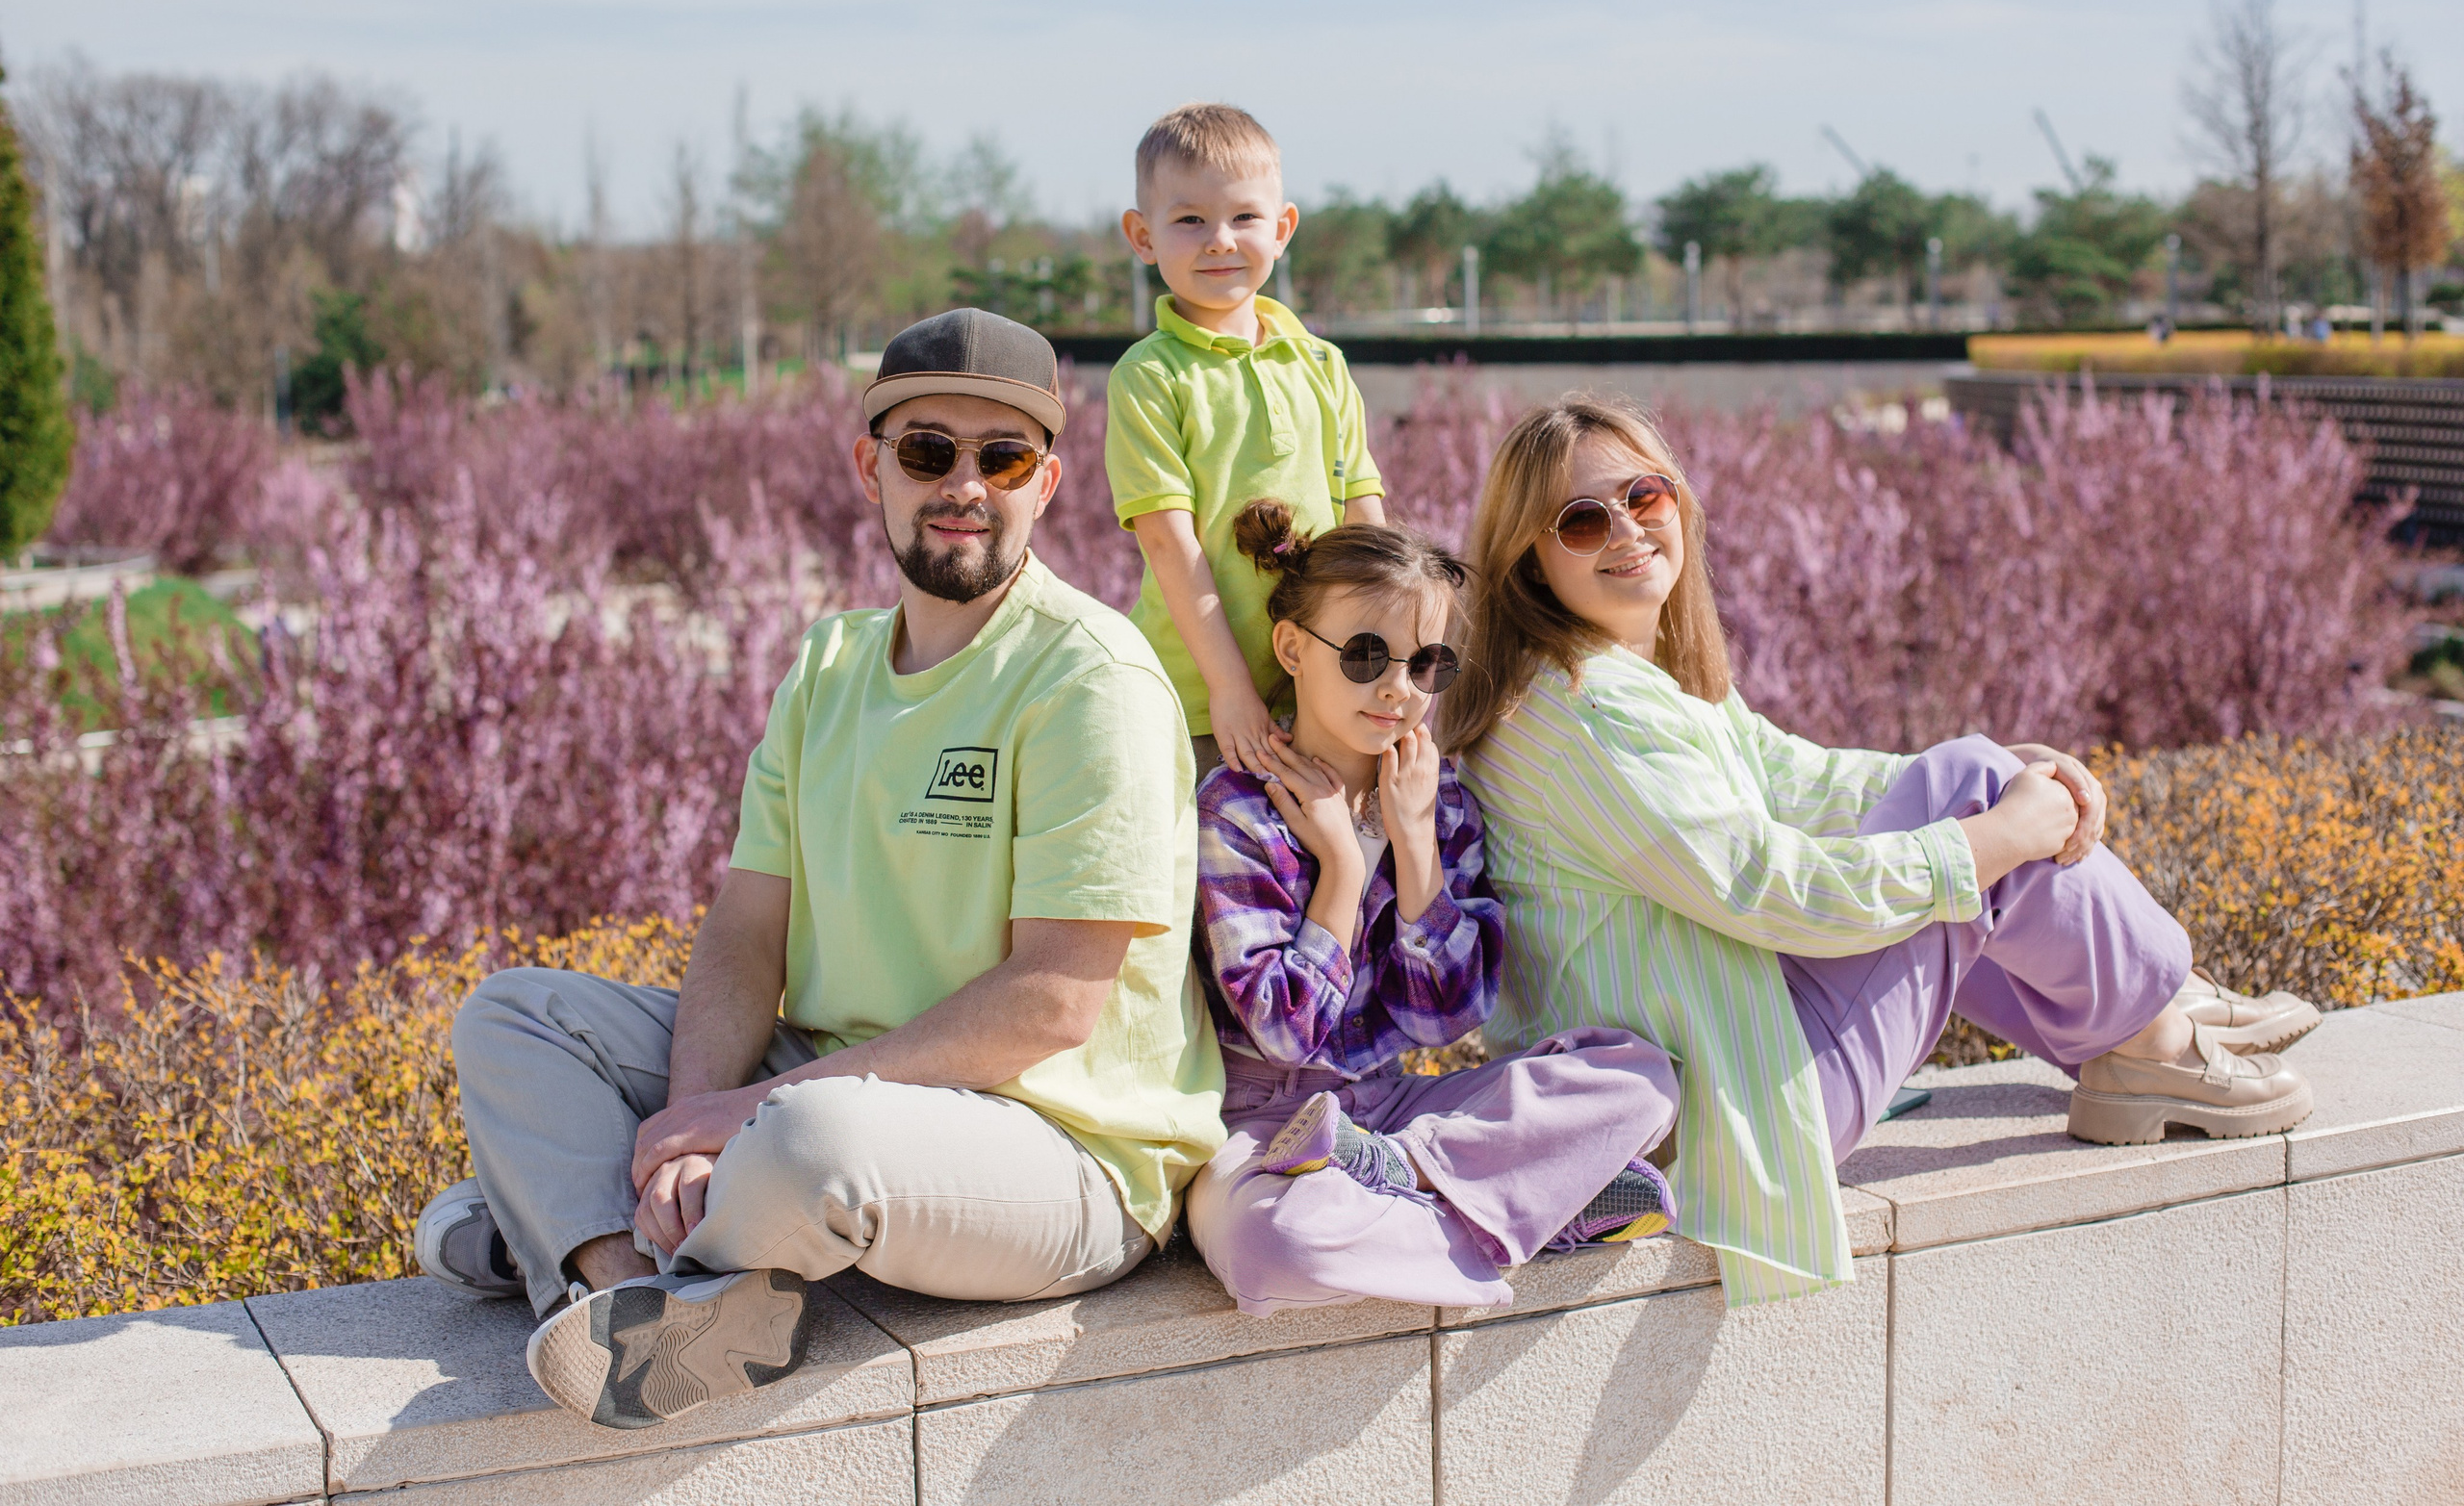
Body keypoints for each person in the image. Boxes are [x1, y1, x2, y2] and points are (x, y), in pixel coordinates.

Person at [416, 309, 1225, 1427]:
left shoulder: (1089, 677)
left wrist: (748, 1112)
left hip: (1066, 1147)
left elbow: (1054, 999)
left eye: (1002, 457)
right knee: (515, 1014)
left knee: (811, 1141)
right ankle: (626, 1285)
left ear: (1047, 481)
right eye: (927, 450)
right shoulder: (830, 664)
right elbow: (746, 930)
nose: (964, 483)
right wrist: (697, 1112)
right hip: (847, 1077)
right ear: (870, 466)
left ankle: (553, 1227)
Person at [1443, 395, 2318, 1307]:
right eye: (1583, 520)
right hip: (1734, 1109)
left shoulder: (1620, 677)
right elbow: (1768, 889)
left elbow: (1799, 780)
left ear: (1680, 504)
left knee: (1969, 782)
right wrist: (1991, 829)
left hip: (1720, 1059)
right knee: (1968, 818)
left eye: (1646, 496)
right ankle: (2153, 1030)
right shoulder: (1593, 711)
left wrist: (1996, 777)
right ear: (1531, 564)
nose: (1626, 529)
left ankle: (2140, 1025)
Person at [1186, 498, 1681, 1316]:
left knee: (1642, 1079)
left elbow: (1449, 1020)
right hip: (1259, 1127)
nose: (1398, 689)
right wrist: (1343, 866)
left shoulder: (1436, 799)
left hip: (1396, 1113)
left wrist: (1413, 849)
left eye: (1428, 665)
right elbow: (1284, 1031)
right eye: (1366, 655)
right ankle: (1531, 1209)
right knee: (1273, 1248)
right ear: (1291, 649)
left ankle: (1400, 1178)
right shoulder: (1240, 810)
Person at [1107, 102, 1389, 779]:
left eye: (1244, 218)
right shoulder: (1149, 375)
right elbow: (1169, 543)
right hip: (1203, 704)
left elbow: (1365, 520)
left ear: (1283, 228)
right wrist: (1230, 689)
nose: (1221, 241)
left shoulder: (1321, 364)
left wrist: (1379, 660)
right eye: (1189, 220)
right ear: (1143, 237)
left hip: (1322, 692)